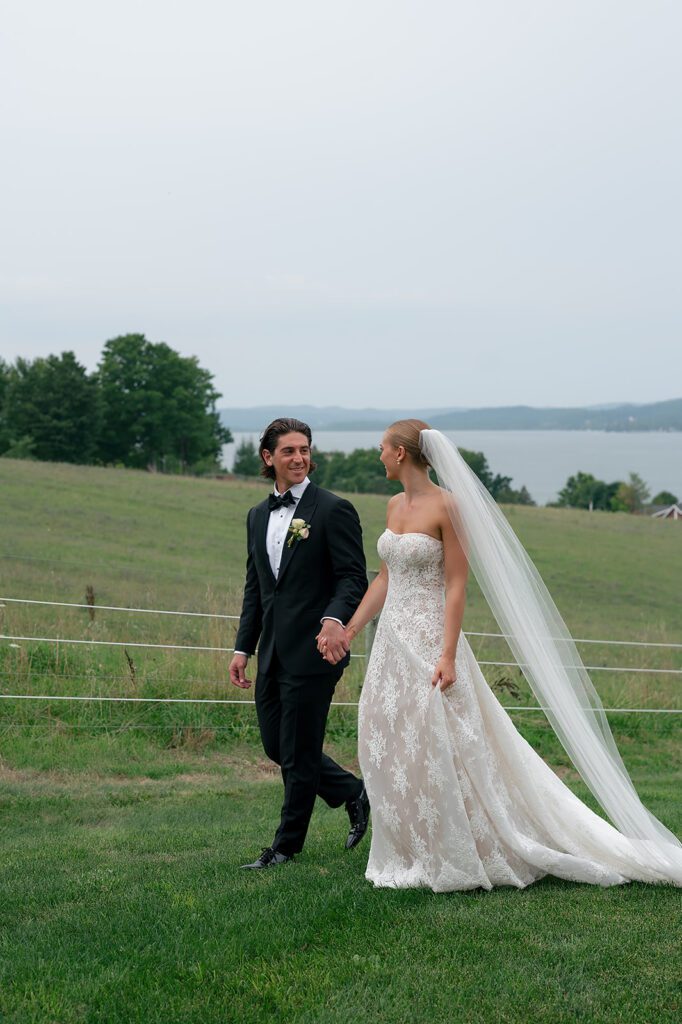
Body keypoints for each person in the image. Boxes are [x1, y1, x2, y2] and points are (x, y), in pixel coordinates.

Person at [318, 419, 682, 891]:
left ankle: (472, 844)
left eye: (382, 449)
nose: (378, 456)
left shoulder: (448, 507)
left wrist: (447, 655)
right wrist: (349, 628)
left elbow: (455, 584)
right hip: (392, 642)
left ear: (402, 453)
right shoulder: (392, 505)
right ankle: (416, 846)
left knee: (447, 741)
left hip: (431, 639)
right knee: (396, 737)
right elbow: (385, 578)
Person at [230, 417, 370, 870]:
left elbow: (353, 578)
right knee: (279, 747)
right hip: (271, 652)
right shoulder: (256, 516)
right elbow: (257, 590)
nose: (299, 458)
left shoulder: (333, 509)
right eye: (289, 450)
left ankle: (285, 848)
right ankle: (354, 792)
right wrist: (242, 648)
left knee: (296, 752)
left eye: (305, 449)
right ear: (268, 458)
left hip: (316, 652)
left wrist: (334, 620)